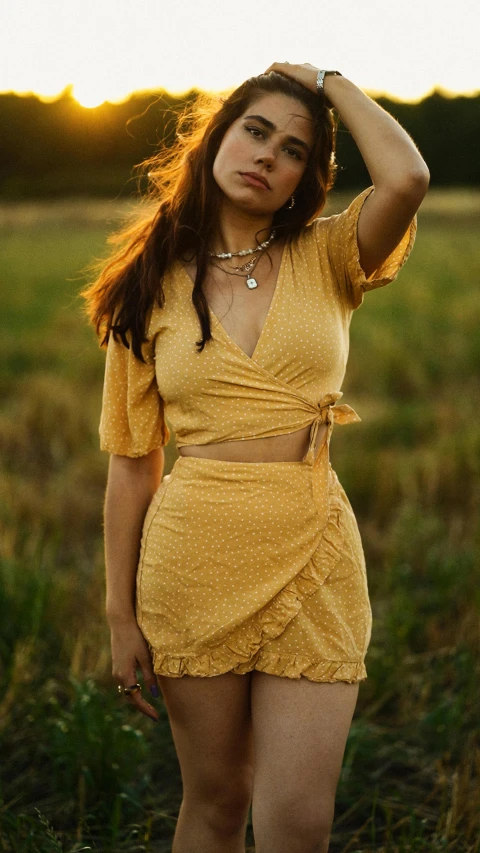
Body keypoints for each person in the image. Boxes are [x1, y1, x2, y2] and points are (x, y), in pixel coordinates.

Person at [83, 62, 429, 853]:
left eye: (296, 150)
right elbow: (133, 465)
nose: (269, 155)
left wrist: (328, 80)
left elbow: (407, 175)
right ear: (219, 138)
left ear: (311, 176)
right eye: (256, 130)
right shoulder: (148, 288)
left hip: (312, 550)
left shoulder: (329, 254)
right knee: (216, 799)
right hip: (192, 559)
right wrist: (118, 614)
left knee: (298, 822)